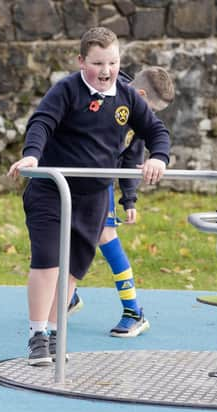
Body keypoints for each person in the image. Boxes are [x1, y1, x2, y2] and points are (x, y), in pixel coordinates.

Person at [7, 27, 171, 366]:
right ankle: (37, 334)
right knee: (48, 260)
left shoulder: (127, 97)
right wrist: (32, 155)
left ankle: (53, 332)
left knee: (72, 268)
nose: (106, 70)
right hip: (53, 188)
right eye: (98, 63)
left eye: (112, 62)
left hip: (94, 195)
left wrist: (158, 157)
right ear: (82, 62)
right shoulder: (67, 90)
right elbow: (42, 122)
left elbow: (156, 130)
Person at [68, 66, 175, 338]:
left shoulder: (137, 117)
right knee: (61, 229)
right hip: (72, 171)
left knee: (105, 235)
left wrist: (129, 198)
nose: (151, 117)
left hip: (99, 179)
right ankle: (68, 295)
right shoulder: (104, 93)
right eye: (153, 110)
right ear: (139, 94)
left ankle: (133, 311)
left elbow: (133, 155)